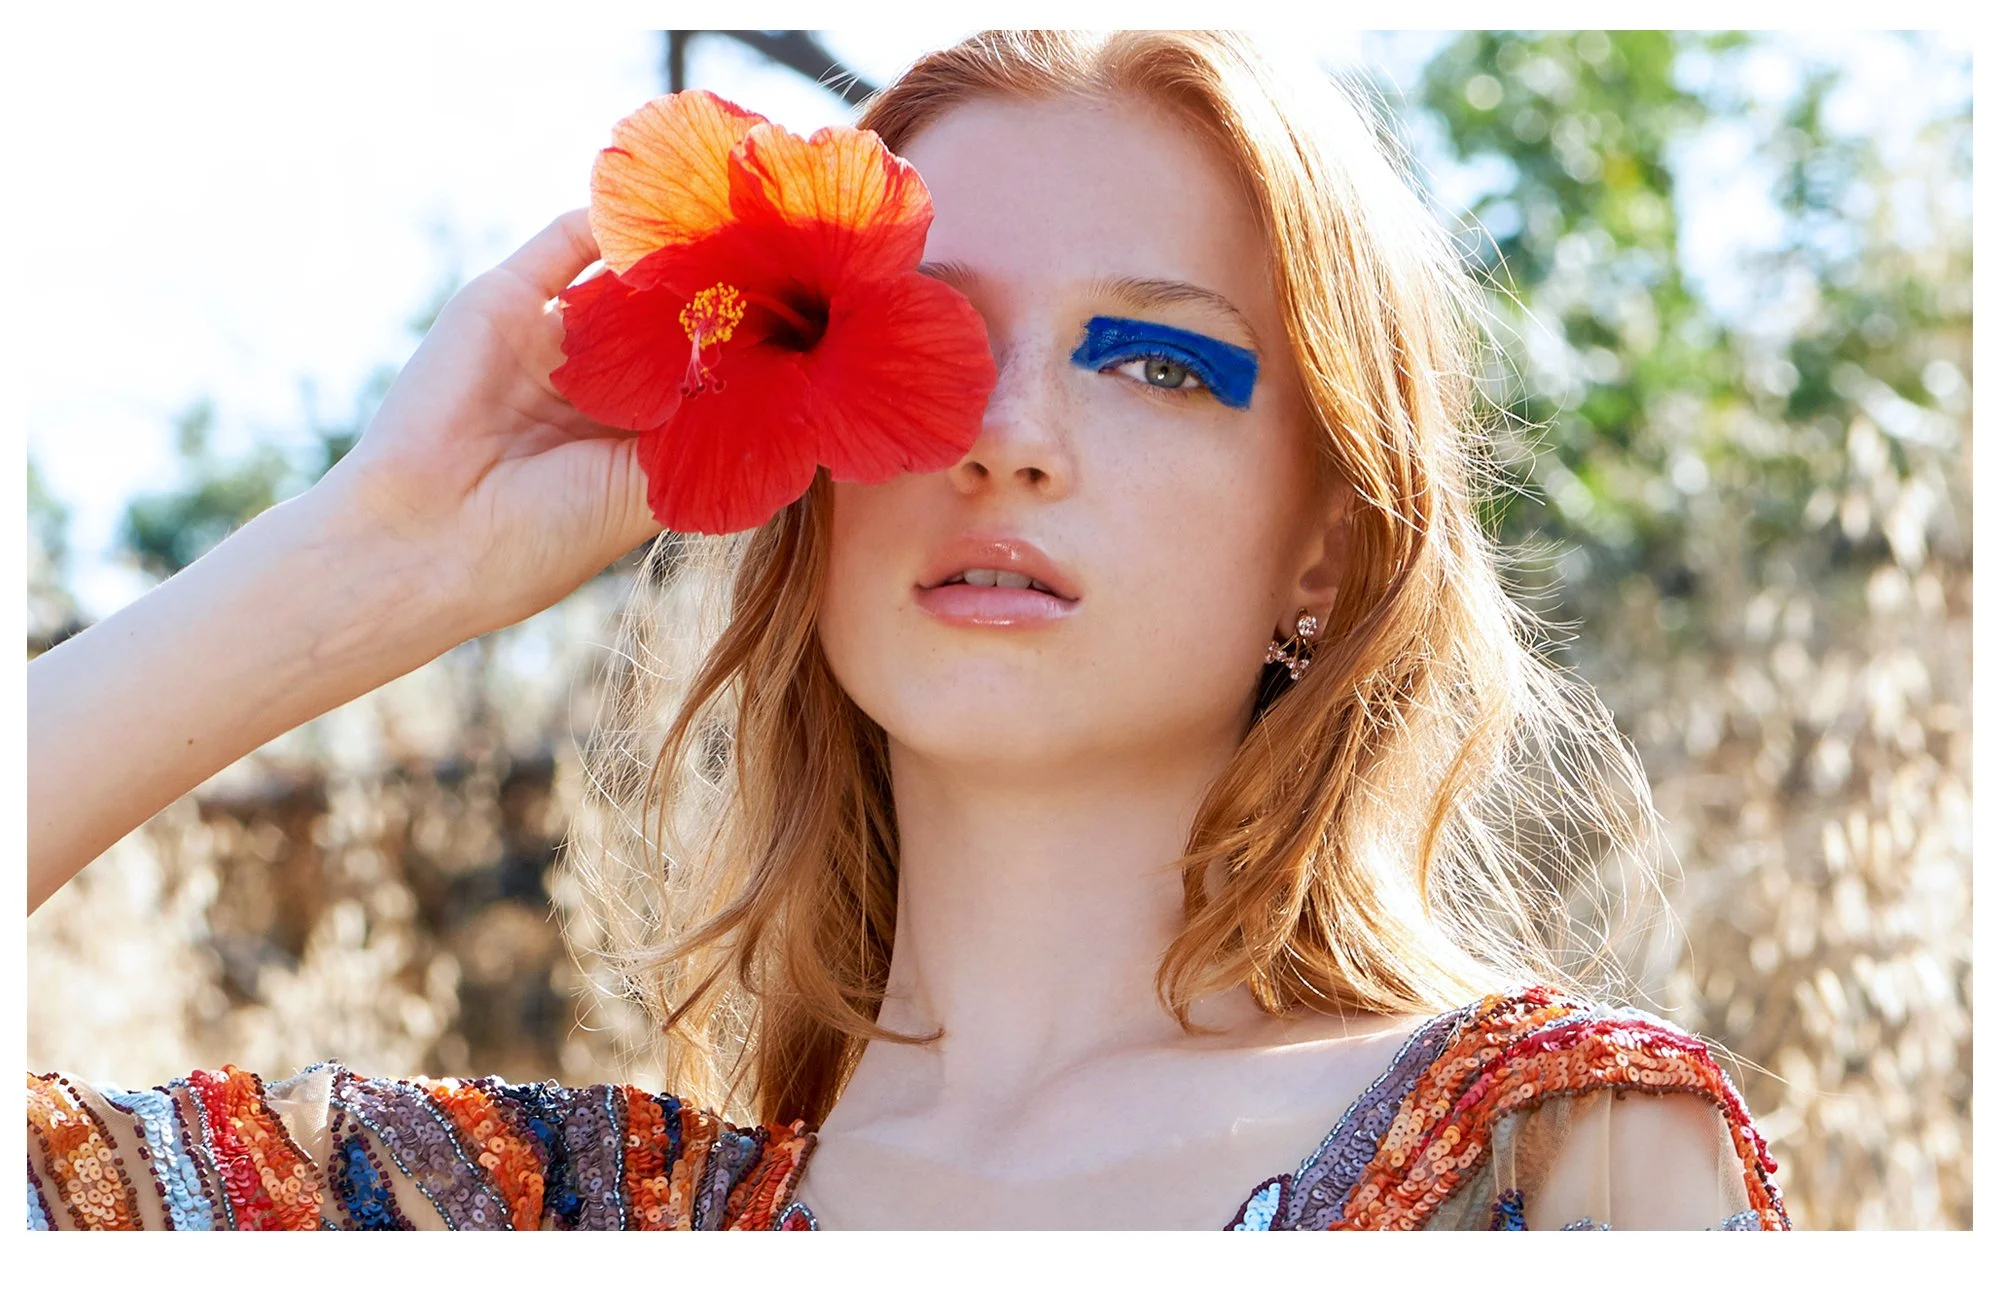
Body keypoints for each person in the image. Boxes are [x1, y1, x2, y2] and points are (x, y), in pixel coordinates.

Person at [25, 30, 1787, 1231]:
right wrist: (372, 556)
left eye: (1159, 359)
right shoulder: (554, 1212)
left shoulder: (1550, 1156)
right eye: (915, 338)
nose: (1001, 430)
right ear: (809, 471)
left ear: (1325, 544)